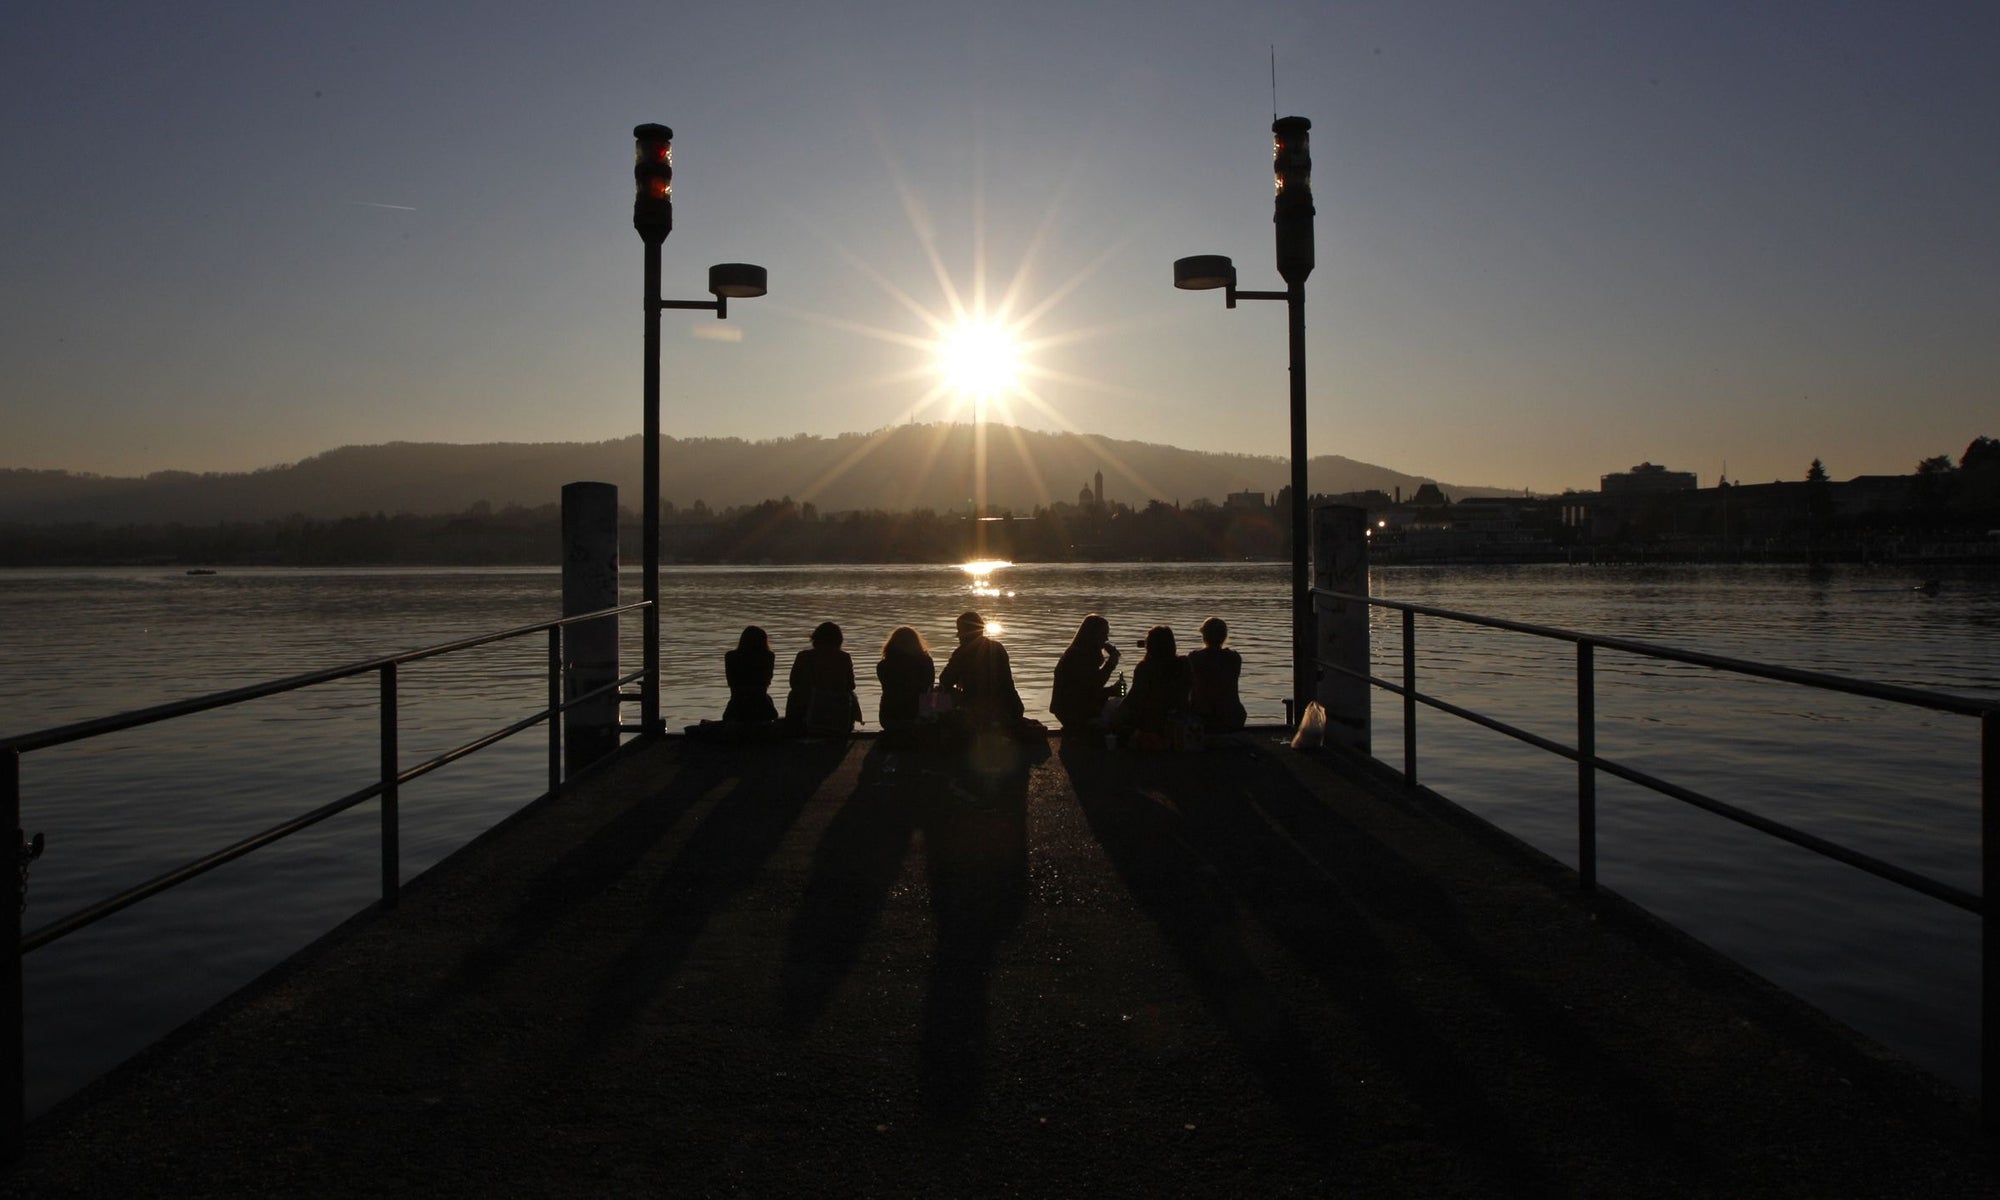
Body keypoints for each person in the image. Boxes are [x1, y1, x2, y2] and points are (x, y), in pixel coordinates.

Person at [938, 610, 1024, 728]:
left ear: (964, 632)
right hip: (1011, 707)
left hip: (980, 711)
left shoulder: (962, 653)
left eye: (959, 631)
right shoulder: (998, 647)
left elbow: (945, 680)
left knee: (939, 693)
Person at [1112, 624, 1191, 748]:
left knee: (1113, 707)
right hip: (1178, 720)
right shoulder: (1184, 664)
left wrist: (1115, 716)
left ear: (1150, 646)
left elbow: (1132, 698)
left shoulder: (1145, 668)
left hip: (1150, 724)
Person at [785, 621, 863, 735]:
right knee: (851, 695)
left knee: (793, 694)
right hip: (836, 707)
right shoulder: (844, 657)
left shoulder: (803, 656)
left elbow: (793, 682)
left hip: (807, 705)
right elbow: (851, 685)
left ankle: (793, 726)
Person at [1049, 613, 1121, 732]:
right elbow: (1091, 689)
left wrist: (1111, 690)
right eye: (1104, 634)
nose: (1106, 639)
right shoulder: (1079, 656)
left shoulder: (1077, 653)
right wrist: (1111, 664)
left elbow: (1086, 689)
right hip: (1073, 712)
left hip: (1068, 708)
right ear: (1094, 635)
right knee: (1120, 705)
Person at [1187, 615, 1246, 732]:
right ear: (1224, 636)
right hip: (1233, 716)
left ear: (1204, 636)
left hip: (1203, 718)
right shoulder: (1234, 658)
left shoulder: (1194, 658)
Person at [875, 625, 936, 731]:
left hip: (888, 719)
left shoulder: (883, 665)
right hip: (919, 718)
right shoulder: (926, 662)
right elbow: (928, 688)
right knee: (946, 696)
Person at [722, 625, 778, 724]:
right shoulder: (768, 656)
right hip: (761, 703)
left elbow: (731, 682)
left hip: (737, 704)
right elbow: (766, 681)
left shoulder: (731, 656)